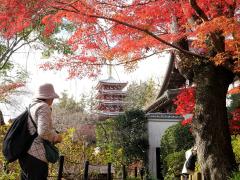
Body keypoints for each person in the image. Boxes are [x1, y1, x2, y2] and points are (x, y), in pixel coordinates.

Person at [18, 83, 62, 180]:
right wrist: (56, 137)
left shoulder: (31, 106)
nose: (53, 100)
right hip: (37, 155)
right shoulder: (43, 107)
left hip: (25, 153)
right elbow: (43, 132)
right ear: (47, 97)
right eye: (52, 97)